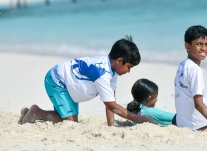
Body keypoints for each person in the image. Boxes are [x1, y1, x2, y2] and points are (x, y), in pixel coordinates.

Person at [18, 35, 157, 126]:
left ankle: (27, 113)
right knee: (70, 123)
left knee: (67, 119)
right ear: (120, 61)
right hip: (57, 81)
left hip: (69, 86)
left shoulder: (112, 70)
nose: (128, 71)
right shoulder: (101, 73)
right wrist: (138, 119)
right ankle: (36, 112)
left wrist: (111, 125)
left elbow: (111, 99)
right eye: (129, 67)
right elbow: (111, 105)